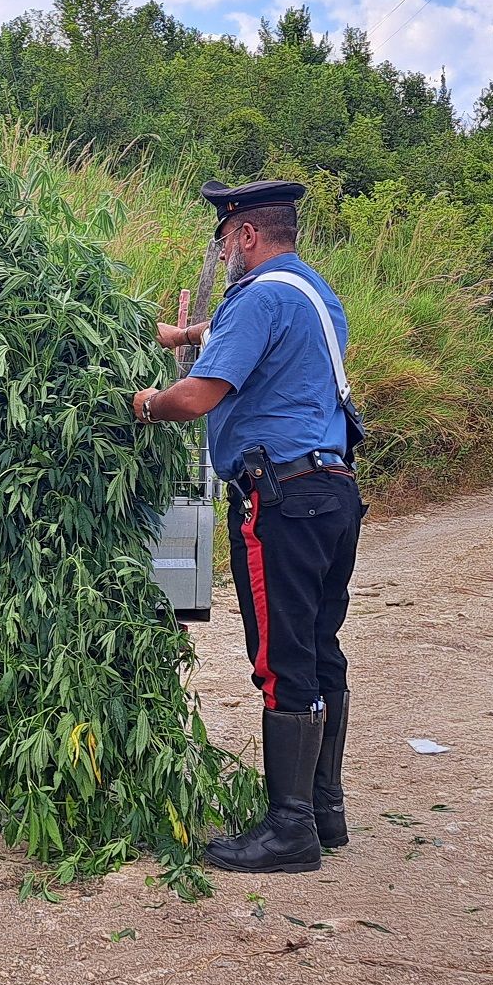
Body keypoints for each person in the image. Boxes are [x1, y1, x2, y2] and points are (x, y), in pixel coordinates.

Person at [131, 179, 363, 875]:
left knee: (280, 657)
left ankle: (288, 832)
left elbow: (196, 398)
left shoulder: (256, 296)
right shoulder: (314, 294)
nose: (224, 250)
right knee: (321, 648)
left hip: (280, 501)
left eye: (225, 238)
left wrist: (144, 403)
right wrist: (187, 333)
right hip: (333, 491)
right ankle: (325, 810)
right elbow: (237, 332)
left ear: (248, 236)